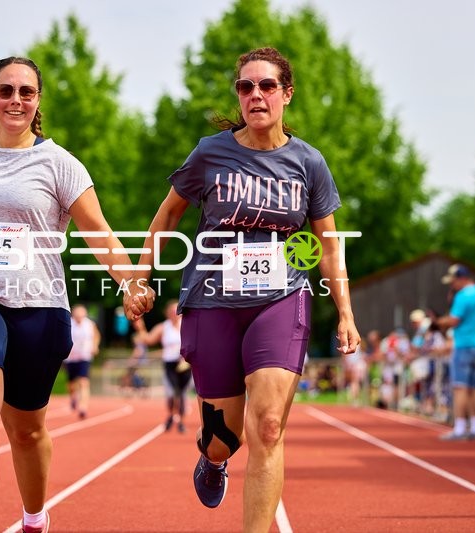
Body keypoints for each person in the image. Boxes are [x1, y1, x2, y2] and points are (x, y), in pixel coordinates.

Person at [0, 56, 152, 533]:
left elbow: (98, 232)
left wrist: (131, 283)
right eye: (5, 90)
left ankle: (35, 517)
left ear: (37, 100)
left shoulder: (60, 165)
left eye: (25, 91)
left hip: (39, 305)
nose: (15, 99)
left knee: (27, 429)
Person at [125, 47, 360, 532]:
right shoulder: (210, 153)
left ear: (286, 94)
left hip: (281, 300)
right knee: (223, 436)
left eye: (266, 86)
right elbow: (168, 214)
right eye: (245, 86)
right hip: (213, 302)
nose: (255, 95)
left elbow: (329, 246)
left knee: (269, 426)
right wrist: (140, 277)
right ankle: (213, 460)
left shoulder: (309, 163)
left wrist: (345, 313)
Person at [434, 264, 475, 440]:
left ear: (461, 278)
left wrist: (439, 323)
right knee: (474, 388)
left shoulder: (463, 296)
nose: (452, 285)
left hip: (463, 344)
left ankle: (460, 427)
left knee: (460, 387)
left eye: (453, 281)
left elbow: (454, 320)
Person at [133, 299, 192, 433]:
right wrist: (139, 326)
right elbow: (148, 339)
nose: (174, 313)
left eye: (176, 310)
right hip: (170, 363)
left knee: (182, 394)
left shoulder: (188, 325)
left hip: (185, 363)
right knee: (171, 394)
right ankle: (171, 415)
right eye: (171, 311)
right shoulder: (163, 327)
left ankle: (181, 422)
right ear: (167, 313)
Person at [65, 304, 100, 420]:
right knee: (71, 384)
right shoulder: (69, 323)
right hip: (71, 357)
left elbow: (96, 335)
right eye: (77, 315)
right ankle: (73, 398)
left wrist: (95, 346)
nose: (80, 317)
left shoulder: (90, 324)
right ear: (74, 315)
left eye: (82, 315)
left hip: (84, 356)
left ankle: (83, 407)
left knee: (84, 382)